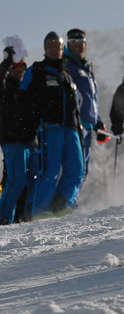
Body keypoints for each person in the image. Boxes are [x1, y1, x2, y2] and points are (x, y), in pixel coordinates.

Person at [19, 32, 84, 216]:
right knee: (50, 170)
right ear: (45, 48)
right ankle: (40, 209)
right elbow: (24, 100)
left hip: (71, 128)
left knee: (77, 169)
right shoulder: (37, 70)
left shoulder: (67, 75)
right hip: (50, 127)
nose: (55, 49)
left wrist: (78, 130)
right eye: (51, 45)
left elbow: (75, 107)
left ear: (62, 49)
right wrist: (29, 128)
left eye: (58, 45)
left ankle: (63, 204)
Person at [0, 38, 37, 224]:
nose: (19, 71)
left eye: (22, 68)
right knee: (15, 181)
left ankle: (22, 217)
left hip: (28, 141)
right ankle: (3, 217)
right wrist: (8, 60)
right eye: (16, 68)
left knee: (31, 181)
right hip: (12, 140)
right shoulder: (5, 89)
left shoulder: (26, 92)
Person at [63, 28, 108, 181]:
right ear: (68, 44)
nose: (77, 45)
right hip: (74, 125)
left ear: (85, 45)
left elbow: (89, 100)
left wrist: (98, 123)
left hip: (88, 126)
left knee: (82, 170)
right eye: (73, 42)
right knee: (74, 168)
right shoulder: (66, 65)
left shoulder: (86, 68)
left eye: (80, 42)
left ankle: (69, 203)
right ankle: (59, 204)